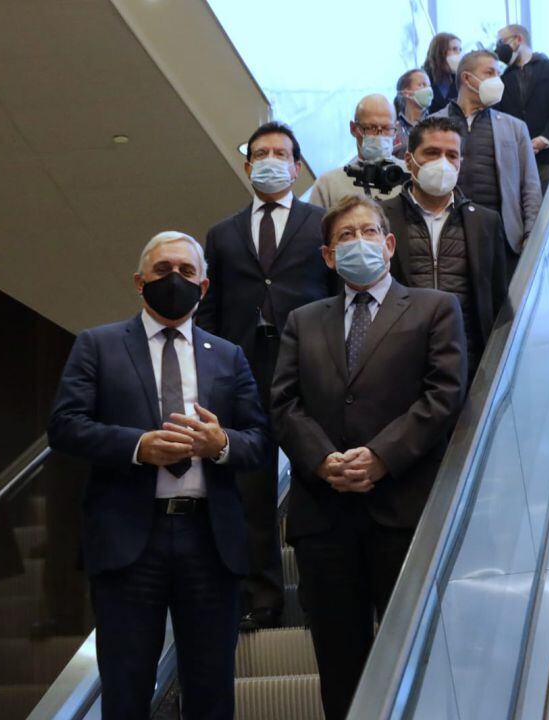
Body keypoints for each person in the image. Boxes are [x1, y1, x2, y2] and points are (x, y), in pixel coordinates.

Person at [48, 232, 269, 720]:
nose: (175, 280)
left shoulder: (229, 355)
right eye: (164, 269)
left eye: (187, 272)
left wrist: (223, 444)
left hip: (210, 542)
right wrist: (137, 446)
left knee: (211, 691)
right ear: (139, 281)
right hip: (129, 541)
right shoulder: (98, 345)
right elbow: (64, 428)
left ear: (205, 286)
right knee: (125, 690)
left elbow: (259, 439)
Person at [272, 195, 467, 720]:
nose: (358, 243)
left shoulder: (434, 307)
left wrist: (381, 456)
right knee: (339, 668)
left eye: (368, 232)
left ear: (389, 243)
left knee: (419, 655)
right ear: (329, 256)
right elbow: (284, 403)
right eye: (344, 237)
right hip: (324, 517)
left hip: (404, 511)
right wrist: (322, 461)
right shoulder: (302, 320)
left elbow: (444, 395)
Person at [197, 121, 334, 632]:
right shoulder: (223, 232)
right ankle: (262, 598)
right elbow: (208, 313)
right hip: (243, 378)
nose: (271, 159)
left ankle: (321, 595)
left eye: (281, 152)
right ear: (247, 163)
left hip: (310, 374)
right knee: (249, 496)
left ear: (297, 166)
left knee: (317, 484)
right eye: (261, 153)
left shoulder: (321, 223)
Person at [381, 116, 512, 382]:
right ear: (409, 160)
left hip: (469, 364)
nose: (443, 162)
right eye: (431, 153)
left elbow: (498, 301)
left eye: (452, 155)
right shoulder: (381, 218)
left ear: (461, 162)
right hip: (399, 364)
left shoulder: (485, 222)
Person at [431, 50, 542, 272]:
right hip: (449, 240)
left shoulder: (515, 128)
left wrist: (531, 234)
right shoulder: (431, 125)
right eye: (489, 72)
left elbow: (530, 186)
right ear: (467, 78)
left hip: (504, 242)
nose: (497, 80)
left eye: (498, 74)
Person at [494, 24, 549, 192]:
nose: (498, 48)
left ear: (518, 39)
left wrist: (544, 139)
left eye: (502, 42)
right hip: (519, 161)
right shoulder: (501, 80)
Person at [308, 94, 406, 210]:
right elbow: (313, 226)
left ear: (395, 129)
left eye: (386, 128)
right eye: (371, 128)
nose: (379, 136)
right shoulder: (328, 185)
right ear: (354, 128)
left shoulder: (409, 175)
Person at [393, 68, 433, 156]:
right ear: (406, 93)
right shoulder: (393, 128)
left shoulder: (435, 124)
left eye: (429, 86)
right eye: (422, 85)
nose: (429, 90)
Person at [422, 32, 462, 114]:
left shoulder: (460, 80)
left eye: (460, 50)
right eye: (454, 49)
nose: (458, 54)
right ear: (439, 52)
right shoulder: (423, 78)